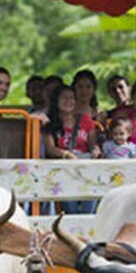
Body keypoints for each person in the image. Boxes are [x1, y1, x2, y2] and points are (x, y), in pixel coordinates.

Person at [43, 85, 100, 214]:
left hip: (85, 169)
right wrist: (66, 154)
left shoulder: (85, 120)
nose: (69, 101)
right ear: (56, 101)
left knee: (89, 205)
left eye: (72, 98)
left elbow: (93, 144)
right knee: (70, 208)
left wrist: (96, 149)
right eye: (64, 98)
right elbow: (50, 148)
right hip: (63, 170)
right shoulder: (49, 124)